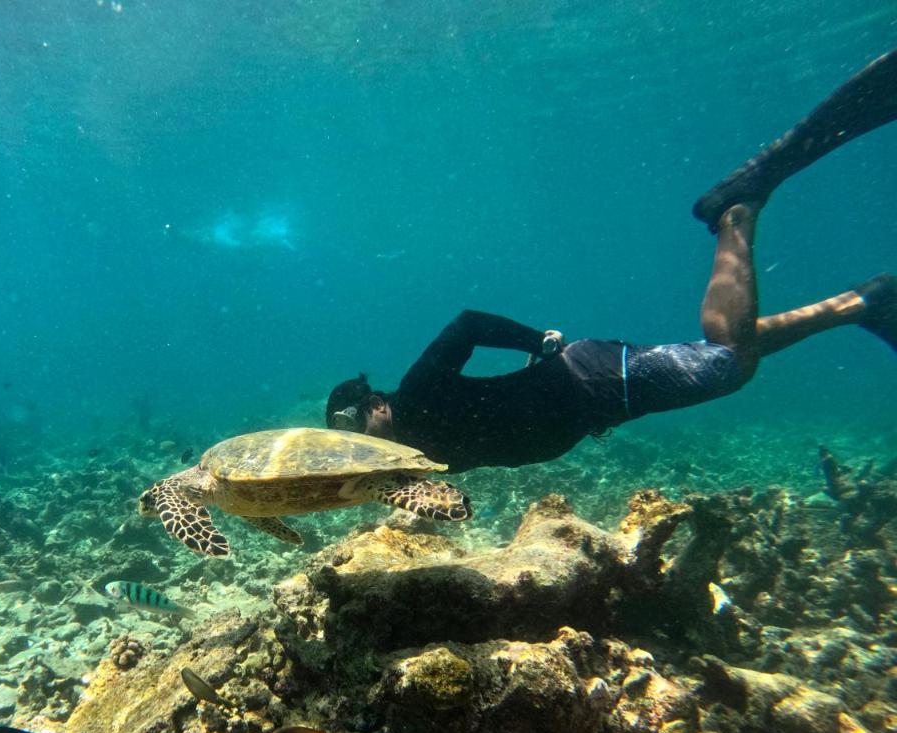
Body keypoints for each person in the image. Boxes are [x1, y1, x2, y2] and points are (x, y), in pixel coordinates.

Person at [325, 49, 897, 472]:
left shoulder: (417, 391)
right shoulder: (418, 451)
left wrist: (539, 344)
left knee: (727, 365)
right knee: (720, 351)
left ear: (376, 404)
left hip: (593, 383)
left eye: (354, 425)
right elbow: (492, 422)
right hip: (589, 392)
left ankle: (737, 210)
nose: (359, 440)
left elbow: (468, 323)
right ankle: (857, 304)